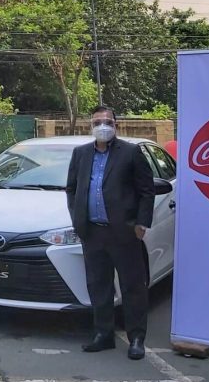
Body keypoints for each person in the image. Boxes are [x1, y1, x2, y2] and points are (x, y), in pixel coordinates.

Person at [66, 106, 155, 361]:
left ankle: (136, 338)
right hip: (92, 233)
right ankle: (103, 335)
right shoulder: (81, 154)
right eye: (97, 122)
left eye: (107, 121)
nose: (102, 126)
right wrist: (77, 219)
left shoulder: (130, 152)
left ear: (116, 124)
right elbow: (71, 189)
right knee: (99, 286)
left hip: (124, 233)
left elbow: (146, 190)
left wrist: (140, 223)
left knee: (132, 287)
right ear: (90, 126)